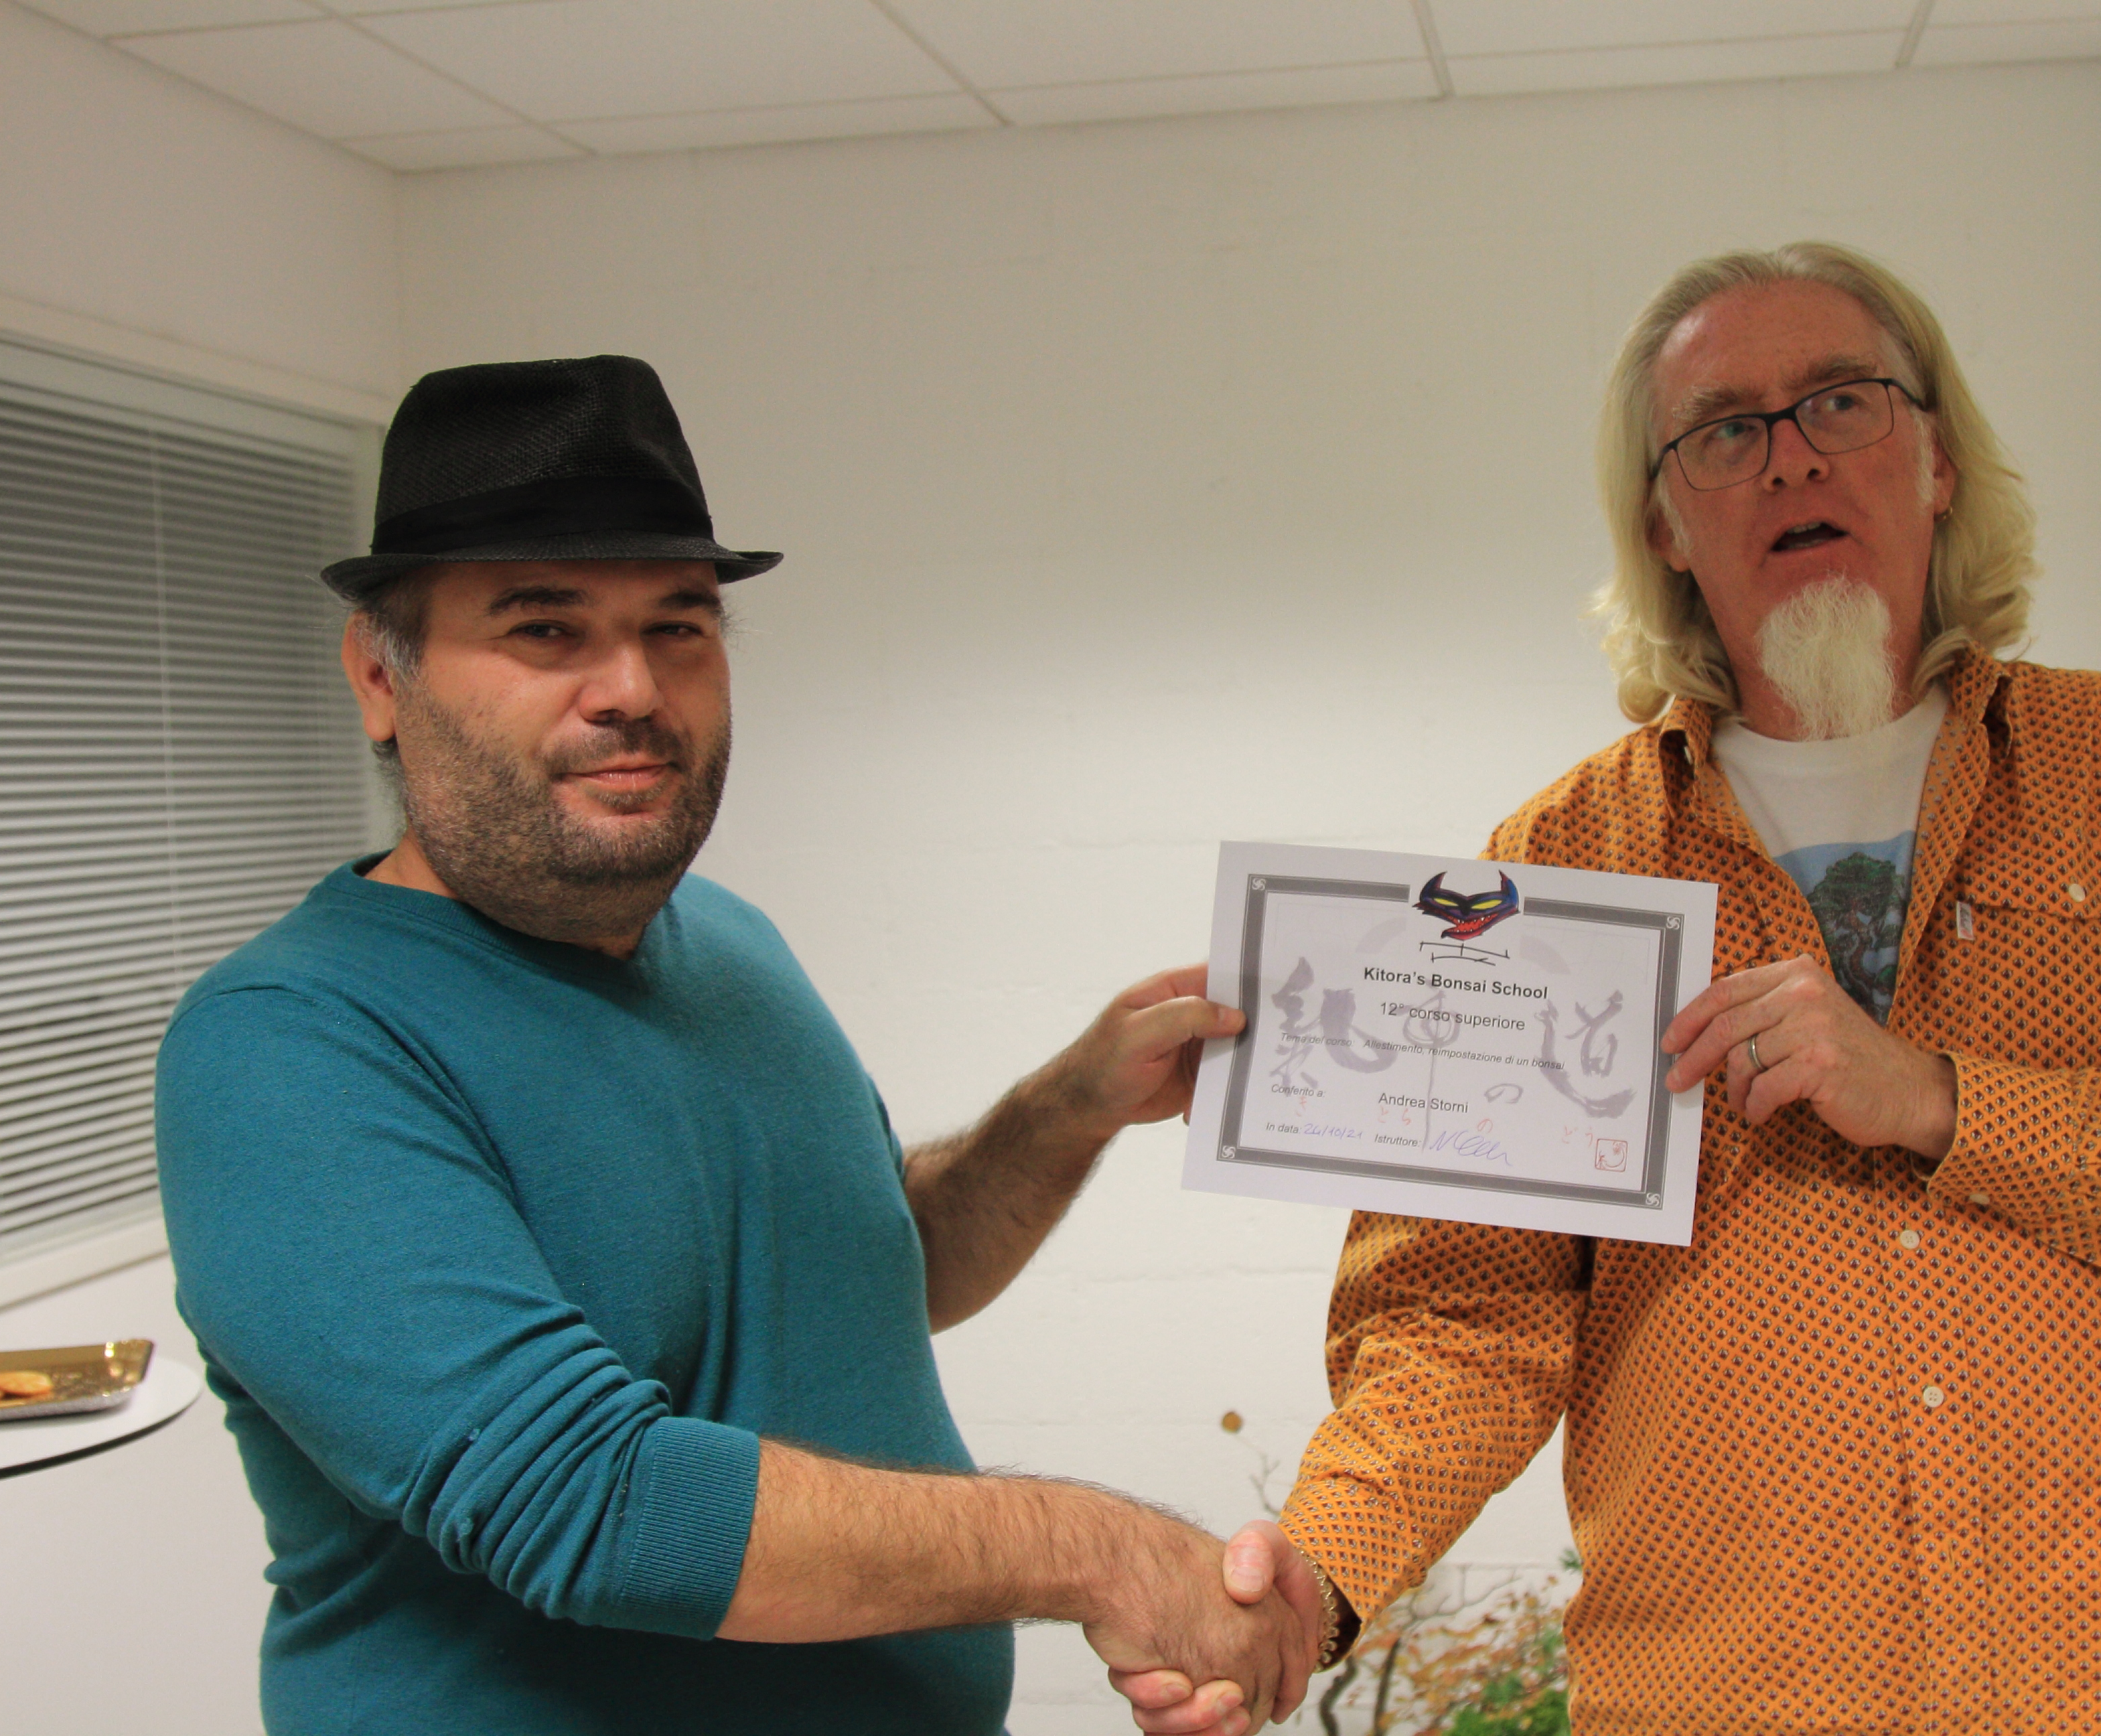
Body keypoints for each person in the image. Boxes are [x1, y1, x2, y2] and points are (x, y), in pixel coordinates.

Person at [1122, 242, 2101, 1734]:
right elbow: (1465, 1314)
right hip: (1729, 1699)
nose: (1792, 458)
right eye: (1725, 430)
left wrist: (1941, 1100)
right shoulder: (1562, 868)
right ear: (1664, 520)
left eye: (1843, 402)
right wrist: (1319, 1574)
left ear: (1937, 461)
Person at [153, 356, 1311, 1736]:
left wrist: (1064, 1111)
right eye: (544, 629)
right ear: (378, 676)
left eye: (679, 626)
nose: (631, 688)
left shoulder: (729, 942)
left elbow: (876, 1275)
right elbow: (594, 1503)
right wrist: (1102, 1553)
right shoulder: (291, 1045)